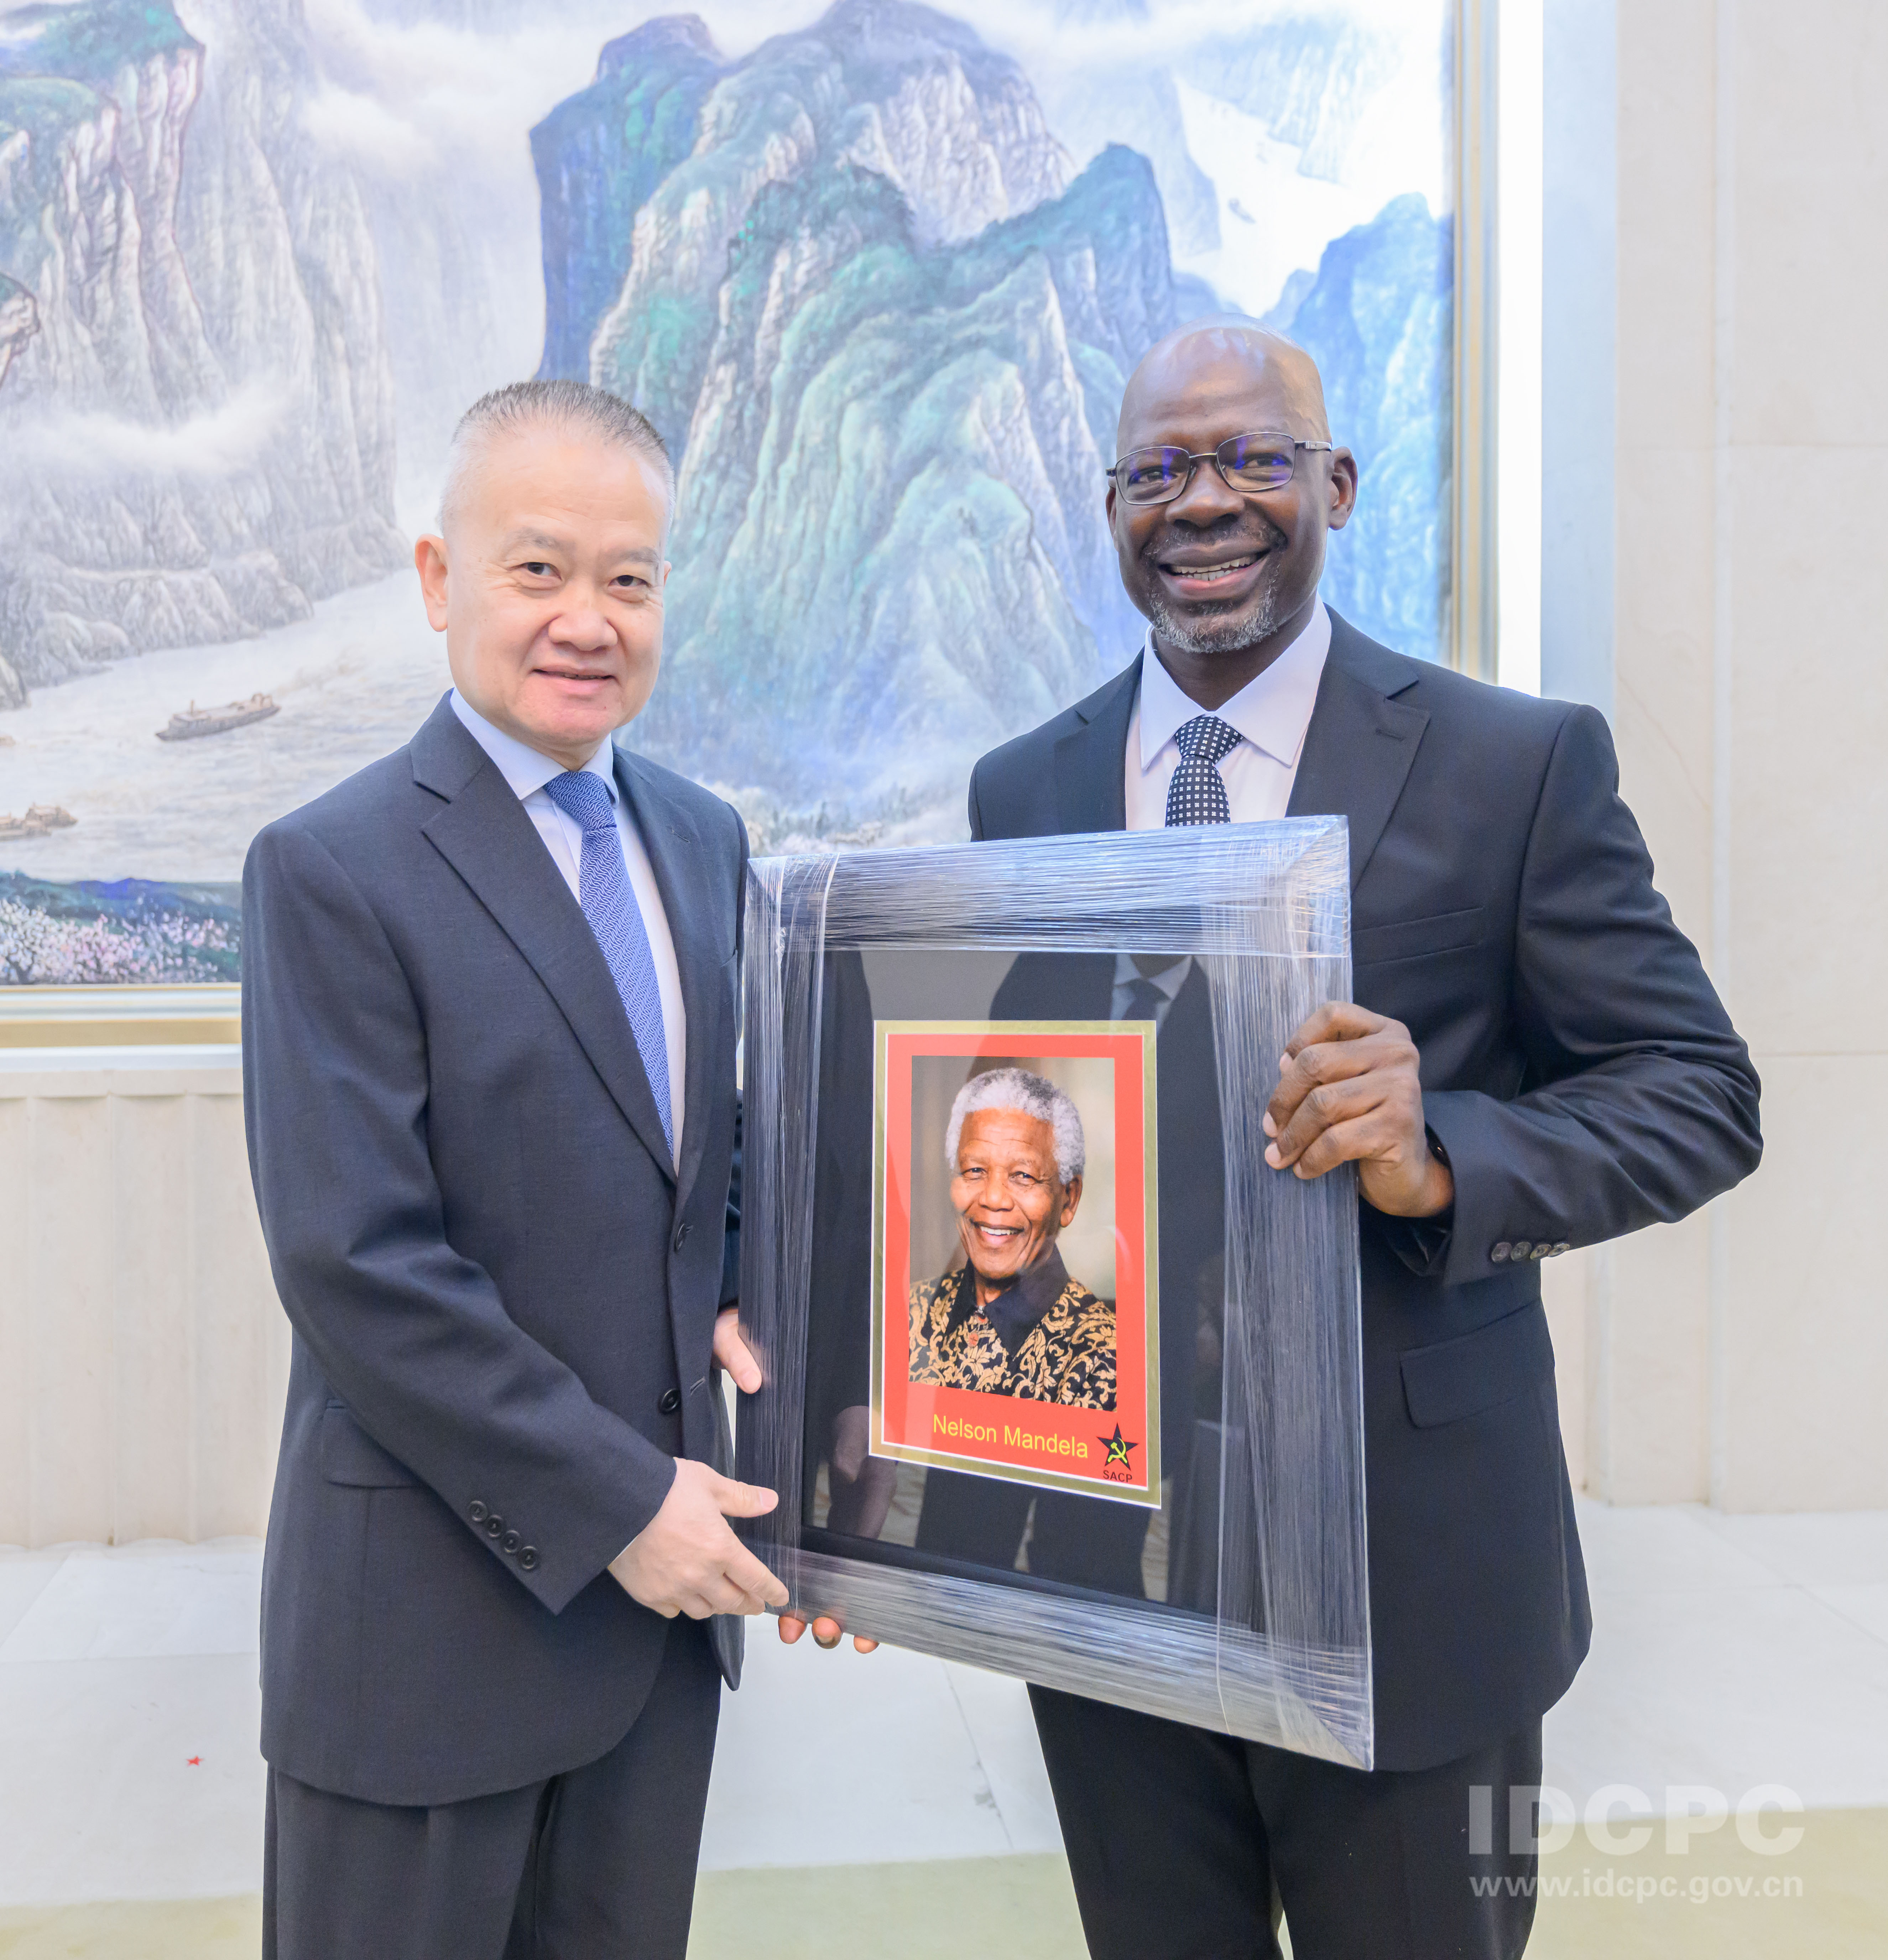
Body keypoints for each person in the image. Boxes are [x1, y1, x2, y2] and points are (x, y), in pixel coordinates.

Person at [956, 324, 1764, 1957]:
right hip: (1109, 1567)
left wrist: (1439, 1154)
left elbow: (1695, 1090)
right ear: (1109, 508)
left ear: (1331, 483)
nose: (1202, 501)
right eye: (1157, 470)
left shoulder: (1511, 763)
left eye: (1250, 458)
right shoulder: (1018, 788)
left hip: (1414, 1573)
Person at [241, 378, 791, 1960]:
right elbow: (358, 1264)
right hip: (427, 1633)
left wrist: (754, 1292)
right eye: (537, 568)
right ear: (439, 579)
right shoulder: (330, 867)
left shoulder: (703, 839)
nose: (586, 620)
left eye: (630, 578)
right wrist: (624, 1504)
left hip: (654, 1647)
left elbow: (698, 1155)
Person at [908, 1067, 1116, 1409]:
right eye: (974, 1170)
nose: (993, 1198)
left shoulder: (1100, 1358)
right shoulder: (909, 1314)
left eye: (1023, 1176)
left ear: (1069, 1200)